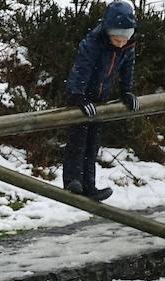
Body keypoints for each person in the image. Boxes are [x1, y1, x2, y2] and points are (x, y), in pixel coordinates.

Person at [62, 2, 138, 201]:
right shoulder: (93, 43)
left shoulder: (127, 46)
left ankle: (89, 186)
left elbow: (127, 68)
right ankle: (72, 181)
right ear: (108, 32)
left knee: (92, 143)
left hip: (101, 100)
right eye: (116, 39)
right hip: (81, 98)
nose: (120, 43)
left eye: (124, 39)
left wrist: (126, 91)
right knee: (78, 140)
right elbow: (81, 69)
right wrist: (78, 95)